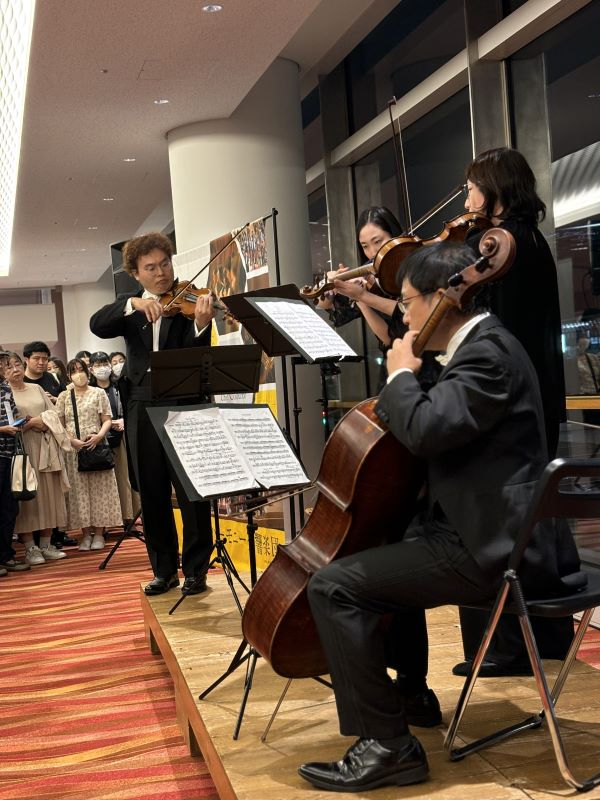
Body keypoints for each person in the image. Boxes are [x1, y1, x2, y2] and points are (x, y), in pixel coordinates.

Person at [297, 242, 584, 792]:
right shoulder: (481, 346)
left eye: (407, 302)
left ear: (443, 298)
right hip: (482, 532)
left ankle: (388, 746)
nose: (403, 316)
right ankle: (409, 696)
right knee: (385, 554)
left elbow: (427, 430)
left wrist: (400, 377)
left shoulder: (488, 355)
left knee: (334, 587)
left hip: (492, 549)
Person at [458, 146, 572, 677]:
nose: (467, 198)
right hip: (537, 396)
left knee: (501, 524)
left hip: (508, 402)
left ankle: (509, 647)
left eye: (472, 188)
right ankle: (542, 640)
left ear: (494, 189)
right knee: (531, 522)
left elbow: (474, 309)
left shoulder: (499, 243)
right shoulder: (531, 240)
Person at [89, 231, 216, 596]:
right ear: (136, 273)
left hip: (184, 402)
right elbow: (98, 324)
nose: (161, 273)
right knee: (152, 490)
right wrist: (132, 303)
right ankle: (164, 571)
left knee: (191, 491)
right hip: (141, 403)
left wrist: (202, 324)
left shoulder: (188, 299)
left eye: (165, 264)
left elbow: (196, 354)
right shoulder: (128, 308)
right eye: (151, 268)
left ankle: (196, 571)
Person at [320, 206, 440, 391]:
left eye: (378, 241)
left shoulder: (419, 269)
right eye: (365, 246)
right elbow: (387, 337)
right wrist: (330, 285)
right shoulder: (371, 280)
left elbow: (406, 312)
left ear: (395, 236)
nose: (373, 252)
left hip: (429, 363)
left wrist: (364, 296)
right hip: (394, 365)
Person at [5, 353, 69, 566]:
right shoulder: (5, 393)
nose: (15, 369)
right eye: (8, 367)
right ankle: (30, 547)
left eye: (17, 364)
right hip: (22, 449)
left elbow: (54, 414)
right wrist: (32, 423)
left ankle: (46, 544)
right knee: (27, 497)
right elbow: (9, 423)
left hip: (45, 446)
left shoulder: (36, 388)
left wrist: (42, 421)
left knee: (49, 494)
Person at [56, 358, 123, 550]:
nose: (79, 374)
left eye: (81, 369)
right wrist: (72, 441)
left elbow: (107, 419)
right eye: (74, 371)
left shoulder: (98, 393)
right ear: (68, 375)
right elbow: (60, 424)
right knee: (79, 493)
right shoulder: (64, 396)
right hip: (75, 450)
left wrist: (99, 436)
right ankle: (85, 534)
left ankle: (100, 534)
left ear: (88, 371)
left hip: (97, 446)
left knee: (100, 490)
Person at [88, 351, 138, 528]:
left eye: (105, 364)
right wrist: (106, 424)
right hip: (100, 439)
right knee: (104, 482)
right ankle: (105, 523)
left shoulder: (119, 386)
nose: (102, 368)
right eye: (98, 365)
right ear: (91, 369)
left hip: (122, 437)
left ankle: (129, 519)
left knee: (125, 478)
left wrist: (124, 420)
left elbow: (131, 406)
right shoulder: (90, 390)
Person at [0, 357, 30, 575]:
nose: (7, 368)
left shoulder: (5, 389)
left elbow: (11, 416)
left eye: (8, 364)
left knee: (9, 508)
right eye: (3, 364)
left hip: (10, 454)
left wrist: (20, 422)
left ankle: (5, 556)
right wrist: (2, 429)